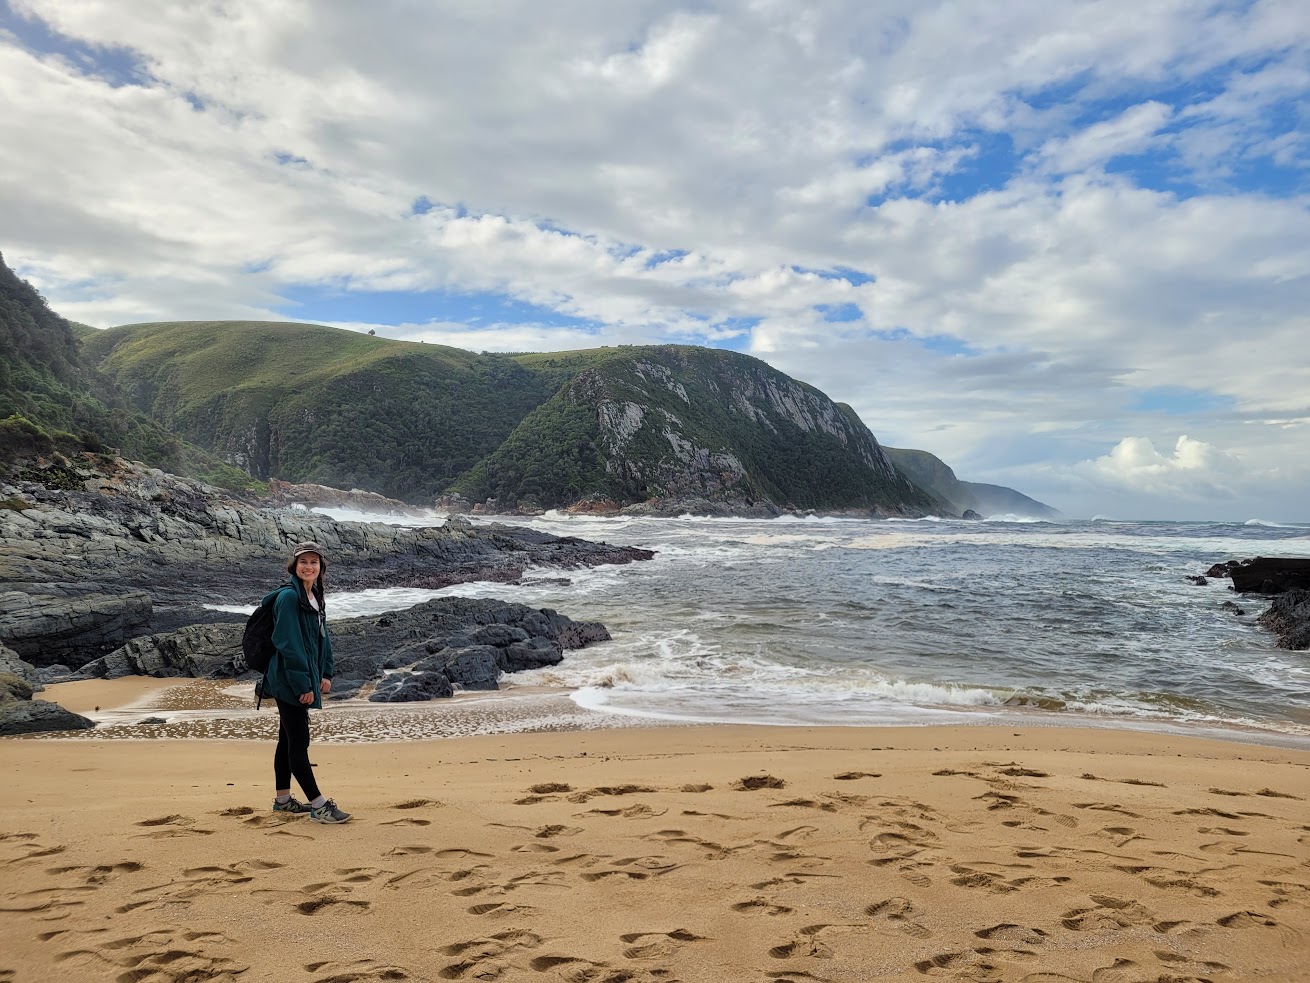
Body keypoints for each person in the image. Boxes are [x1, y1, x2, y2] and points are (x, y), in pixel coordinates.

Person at [261, 541, 351, 824]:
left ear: (320, 567)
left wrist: (326, 673)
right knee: (299, 741)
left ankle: (283, 800)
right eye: (303, 562)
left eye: (314, 562)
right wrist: (303, 686)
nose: (308, 566)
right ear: (294, 566)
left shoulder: (314, 596)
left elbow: (322, 638)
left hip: (302, 677)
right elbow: (289, 644)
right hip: (288, 679)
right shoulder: (289, 598)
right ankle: (319, 805)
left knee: (287, 739)